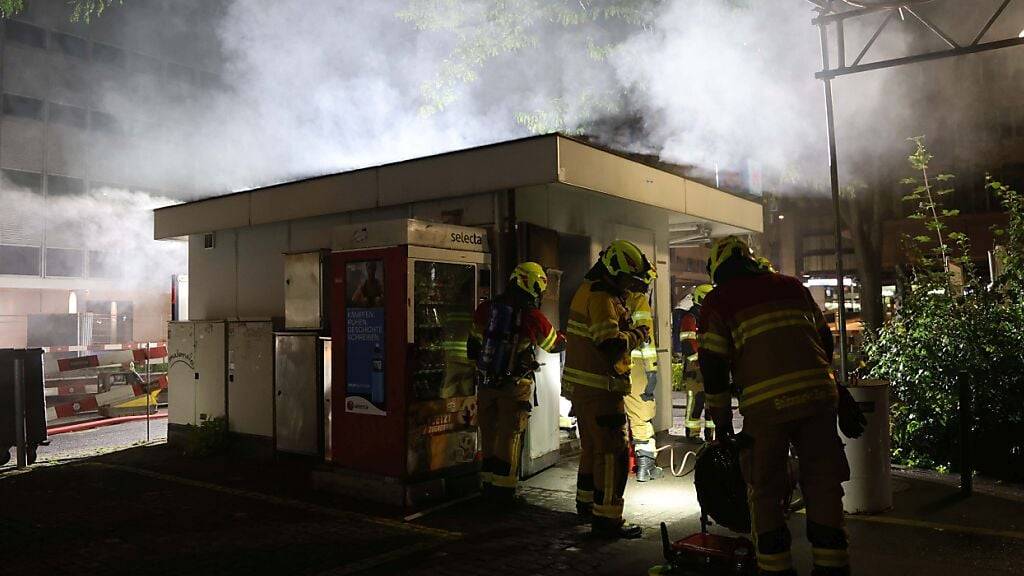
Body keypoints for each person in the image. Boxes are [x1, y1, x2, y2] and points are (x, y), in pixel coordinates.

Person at [698, 236, 852, 576]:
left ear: (717, 269)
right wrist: (834, 389)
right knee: (823, 483)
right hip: (818, 398)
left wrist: (722, 423)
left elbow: (713, 366)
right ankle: (833, 566)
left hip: (767, 408)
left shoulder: (718, 301)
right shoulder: (792, 286)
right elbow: (824, 340)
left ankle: (775, 569)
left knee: (765, 488)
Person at [565, 239, 655, 539]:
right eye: (628, 279)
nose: (630, 285)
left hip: (584, 390)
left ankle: (586, 504)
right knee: (612, 454)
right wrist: (637, 334)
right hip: (602, 390)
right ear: (615, 272)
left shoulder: (586, 290)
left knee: (591, 449)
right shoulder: (602, 298)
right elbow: (611, 345)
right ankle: (607, 519)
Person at [467, 262, 565, 503]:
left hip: (486, 384)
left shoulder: (486, 308)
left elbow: (472, 346)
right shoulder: (532, 316)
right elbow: (554, 345)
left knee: (488, 434)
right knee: (509, 437)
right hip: (515, 386)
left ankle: (488, 485)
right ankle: (504, 492)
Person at [624, 267, 661, 482]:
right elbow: (646, 340)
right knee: (642, 412)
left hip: (616, 365)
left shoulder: (614, 299)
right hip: (637, 367)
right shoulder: (639, 301)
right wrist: (652, 369)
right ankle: (645, 467)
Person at [679, 284, 714, 441]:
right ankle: (692, 435)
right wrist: (700, 362)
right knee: (696, 402)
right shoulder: (690, 318)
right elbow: (688, 344)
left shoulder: (711, 317)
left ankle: (710, 435)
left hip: (710, 365)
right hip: (696, 368)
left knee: (711, 403)